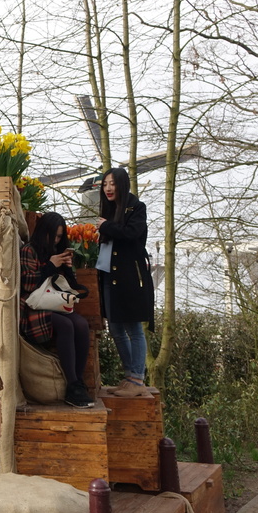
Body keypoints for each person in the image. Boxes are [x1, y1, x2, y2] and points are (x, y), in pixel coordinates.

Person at [19, 211, 94, 408]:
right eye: (52, 235)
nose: (55, 240)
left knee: (81, 324)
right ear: (43, 231)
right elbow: (28, 285)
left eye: (59, 237)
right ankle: (72, 384)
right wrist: (50, 266)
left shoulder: (58, 251)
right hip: (33, 307)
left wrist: (67, 268)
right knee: (66, 325)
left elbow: (69, 286)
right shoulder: (28, 250)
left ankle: (77, 384)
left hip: (55, 304)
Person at [97, 167, 155, 397]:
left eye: (112, 183)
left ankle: (138, 379)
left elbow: (132, 233)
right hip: (109, 275)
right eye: (105, 184)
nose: (108, 188)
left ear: (122, 184)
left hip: (129, 276)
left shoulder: (136, 207)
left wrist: (106, 227)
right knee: (115, 328)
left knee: (133, 328)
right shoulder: (109, 209)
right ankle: (130, 376)